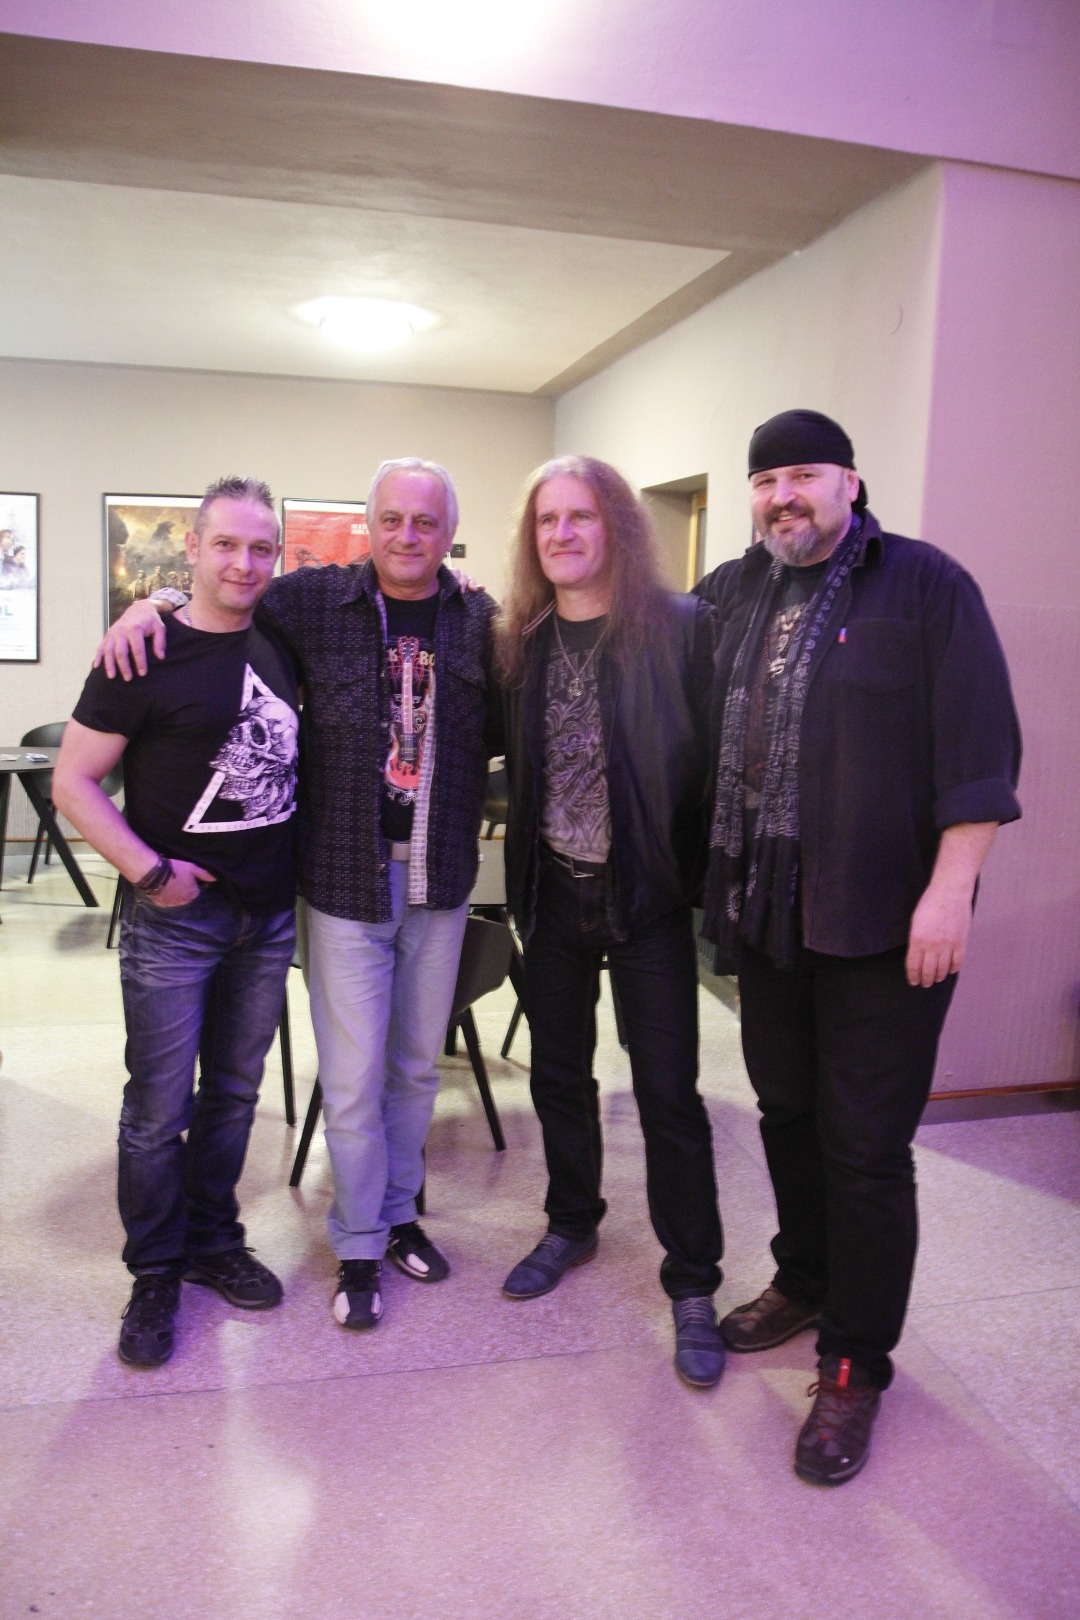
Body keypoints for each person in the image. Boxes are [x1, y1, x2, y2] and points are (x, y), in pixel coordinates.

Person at [694, 409, 1021, 1482]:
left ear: (850, 482)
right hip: (768, 913)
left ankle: (853, 1364)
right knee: (786, 1113)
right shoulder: (732, 592)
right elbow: (639, 654)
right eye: (765, 479)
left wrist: (951, 893)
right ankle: (805, 1277)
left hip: (886, 919)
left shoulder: (925, 586)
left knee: (866, 1148)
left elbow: (980, 750)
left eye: (804, 474)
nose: (783, 495)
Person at [98, 459, 498, 1332]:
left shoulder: (479, 621)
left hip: (437, 883)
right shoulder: (312, 602)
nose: (407, 536)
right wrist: (152, 603)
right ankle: (356, 1243)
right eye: (391, 519)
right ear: (369, 524)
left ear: (449, 532)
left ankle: (398, 1215)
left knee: (414, 1071)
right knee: (348, 1083)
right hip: (343, 878)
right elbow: (220, 602)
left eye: (426, 522)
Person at [54, 476, 299, 1368]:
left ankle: (212, 1240)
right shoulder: (141, 653)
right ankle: (155, 1270)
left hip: (265, 918)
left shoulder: (284, 636)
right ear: (191, 549)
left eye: (260, 547)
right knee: (159, 1109)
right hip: (175, 921)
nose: (243, 563)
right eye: (225, 544)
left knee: (234, 1094)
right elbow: (73, 781)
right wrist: (151, 875)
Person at [496, 455, 726, 1390]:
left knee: (669, 1095)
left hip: (648, 902)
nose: (562, 533)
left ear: (617, 527)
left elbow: (719, 764)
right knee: (560, 1076)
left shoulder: (680, 629)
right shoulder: (520, 642)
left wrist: (697, 878)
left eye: (580, 516)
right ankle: (571, 1223)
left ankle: (694, 1281)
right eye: (547, 520)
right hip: (552, 894)